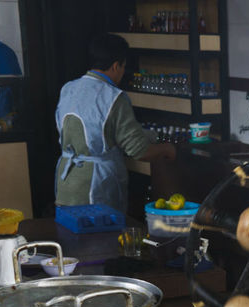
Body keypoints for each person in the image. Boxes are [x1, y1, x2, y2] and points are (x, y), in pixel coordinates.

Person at [54, 33, 175, 212]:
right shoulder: (113, 97)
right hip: (95, 188)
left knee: (69, 235)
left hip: (66, 183)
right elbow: (139, 151)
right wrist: (166, 149)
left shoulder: (69, 88)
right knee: (101, 238)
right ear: (116, 65)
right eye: (123, 67)